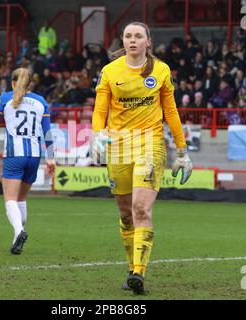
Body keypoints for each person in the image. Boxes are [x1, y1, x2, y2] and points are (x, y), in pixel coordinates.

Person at [91, 22, 193, 295]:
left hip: (150, 144)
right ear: (122, 41)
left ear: (148, 42)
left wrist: (182, 151)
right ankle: (131, 267)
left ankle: (139, 272)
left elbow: (170, 111)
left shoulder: (161, 70)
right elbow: (100, 108)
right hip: (118, 147)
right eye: (128, 36)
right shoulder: (110, 71)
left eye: (138, 36)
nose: (132, 40)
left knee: (141, 209)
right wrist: (97, 134)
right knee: (126, 215)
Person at [0, 67, 56, 255]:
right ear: (30, 83)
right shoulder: (41, 101)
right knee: (21, 199)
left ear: (12, 82)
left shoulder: (5, 98)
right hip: (34, 156)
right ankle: (16, 239)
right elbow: (48, 133)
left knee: (10, 200)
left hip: (13, 154)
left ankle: (19, 231)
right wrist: (51, 158)